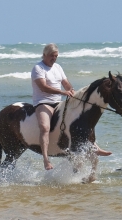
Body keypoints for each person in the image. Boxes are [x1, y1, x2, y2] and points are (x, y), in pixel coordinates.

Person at [31, 43, 111, 171]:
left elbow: (66, 84)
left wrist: (72, 92)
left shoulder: (57, 67)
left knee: (81, 118)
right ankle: (46, 159)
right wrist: (63, 92)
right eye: (52, 56)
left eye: (56, 56)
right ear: (44, 55)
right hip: (43, 102)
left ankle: (94, 146)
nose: (54, 58)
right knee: (45, 127)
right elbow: (43, 87)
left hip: (58, 102)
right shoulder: (38, 68)